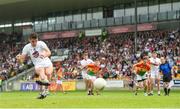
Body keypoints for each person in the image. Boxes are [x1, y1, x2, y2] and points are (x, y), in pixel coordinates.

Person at [16, 32, 53, 99]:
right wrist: (18, 59)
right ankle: (44, 88)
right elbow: (22, 60)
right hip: (38, 64)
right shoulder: (26, 47)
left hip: (46, 61)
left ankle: (46, 89)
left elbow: (49, 52)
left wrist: (45, 55)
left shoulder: (41, 43)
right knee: (42, 75)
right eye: (33, 41)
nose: (34, 43)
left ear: (37, 39)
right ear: (29, 40)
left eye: (36, 41)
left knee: (48, 73)